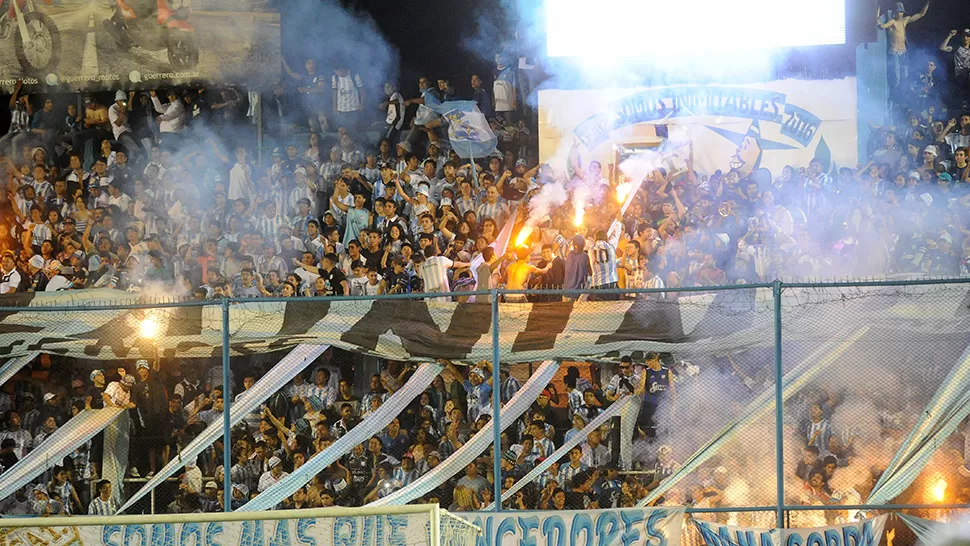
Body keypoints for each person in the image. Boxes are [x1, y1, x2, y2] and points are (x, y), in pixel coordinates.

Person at [878, 1, 930, 93]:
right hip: (895, 52)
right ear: (895, 12)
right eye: (898, 12)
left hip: (903, 52)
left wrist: (927, 3)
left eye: (901, 12)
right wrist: (876, 18)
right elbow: (882, 26)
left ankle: (903, 95)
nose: (899, 14)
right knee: (896, 78)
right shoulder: (893, 21)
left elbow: (921, 14)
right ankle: (894, 94)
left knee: (905, 76)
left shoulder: (904, 21)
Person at [587, 230, 618, 300]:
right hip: (610, 283)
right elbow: (613, 263)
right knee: (612, 309)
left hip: (596, 284)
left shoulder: (591, 249)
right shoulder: (610, 247)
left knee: (598, 309)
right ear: (606, 237)